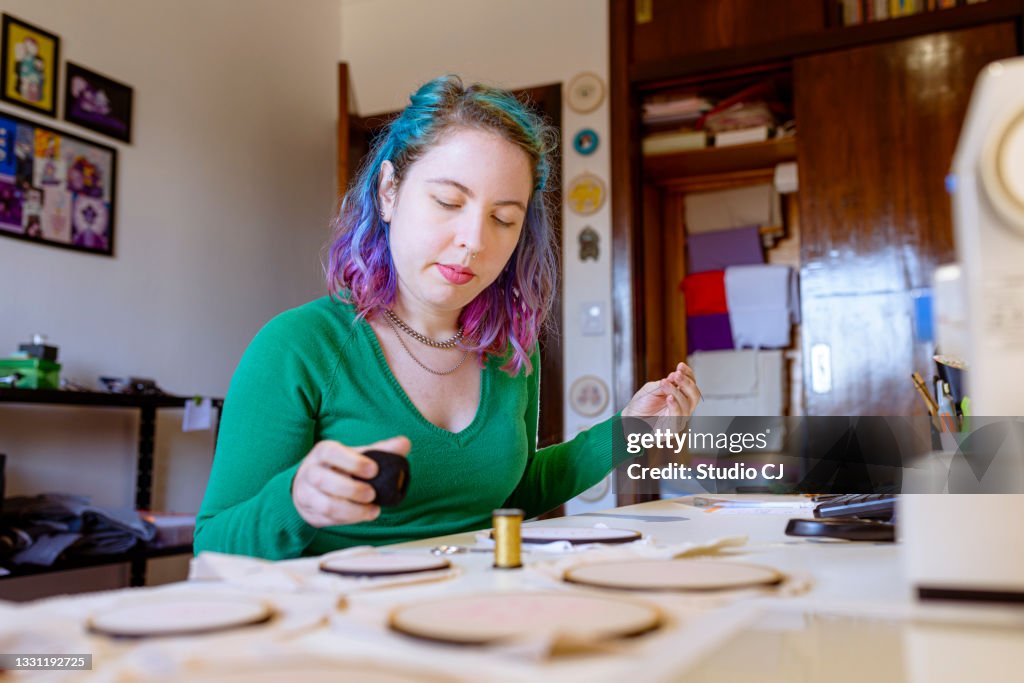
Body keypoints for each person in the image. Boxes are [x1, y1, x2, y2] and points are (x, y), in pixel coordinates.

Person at [194, 75, 701, 561]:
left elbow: (514, 493)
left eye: (503, 219)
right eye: (447, 201)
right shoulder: (298, 346)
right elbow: (213, 547)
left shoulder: (511, 351)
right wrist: (297, 501)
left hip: (469, 617)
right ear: (389, 191)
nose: (474, 241)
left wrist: (628, 432)